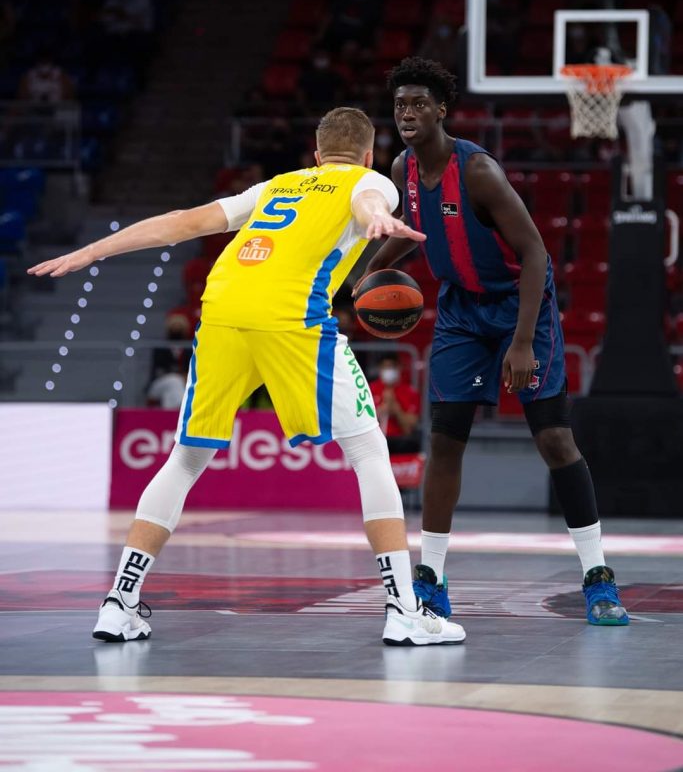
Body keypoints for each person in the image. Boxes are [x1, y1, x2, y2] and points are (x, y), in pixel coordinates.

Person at [28, 106, 465, 648]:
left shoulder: (276, 186)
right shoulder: (370, 181)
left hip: (222, 310)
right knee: (368, 451)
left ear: (316, 153)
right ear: (368, 154)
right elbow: (367, 199)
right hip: (290, 315)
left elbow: (183, 222)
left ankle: (119, 602)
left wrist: (94, 250)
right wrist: (378, 216)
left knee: (185, 458)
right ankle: (403, 609)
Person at [356, 57, 629, 627]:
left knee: (554, 439)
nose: (408, 113)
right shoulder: (403, 167)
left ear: (441, 110)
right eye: (400, 105)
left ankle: (598, 577)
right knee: (445, 441)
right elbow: (413, 231)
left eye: (419, 104)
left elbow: (535, 254)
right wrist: (366, 276)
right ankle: (431, 579)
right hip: (461, 312)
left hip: (519, 306)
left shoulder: (477, 171)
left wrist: (522, 341)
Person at [370, 356, 421, 454]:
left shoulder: (410, 392)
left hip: (400, 441)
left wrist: (397, 410)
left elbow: (409, 428)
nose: (388, 370)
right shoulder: (370, 389)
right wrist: (382, 409)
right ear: (380, 368)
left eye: (391, 367)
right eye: (385, 367)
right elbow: (363, 420)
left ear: (399, 368)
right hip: (376, 440)